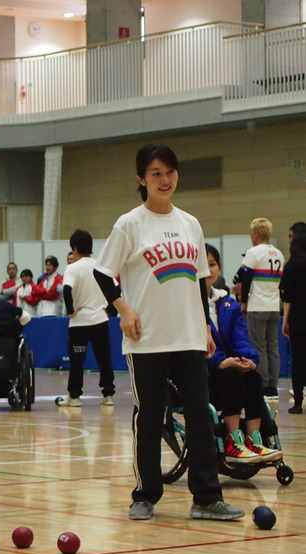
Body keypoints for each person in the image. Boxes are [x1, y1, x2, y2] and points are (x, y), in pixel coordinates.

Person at [94, 142, 243, 522]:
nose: (165, 180)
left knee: (200, 416)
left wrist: (206, 325)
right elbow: (101, 272)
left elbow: (199, 281)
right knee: (150, 418)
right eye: (156, 173)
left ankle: (207, 498)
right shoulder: (129, 224)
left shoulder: (190, 224)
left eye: (170, 172)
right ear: (141, 179)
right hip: (146, 341)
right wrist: (123, 309)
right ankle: (145, 494)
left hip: (189, 337)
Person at [204, 244, 281, 462]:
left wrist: (250, 359)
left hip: (231, 370)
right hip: (206, 375)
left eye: (213, 264)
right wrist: (220, 362)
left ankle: (254, 439)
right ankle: (233, 440)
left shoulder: (228, 302)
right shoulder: (187, 304)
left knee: (252, 376)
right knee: (232, 375)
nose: (209, 270)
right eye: (204, 265)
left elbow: (241, 338)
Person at [55, 229, 115, 408]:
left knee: (77, 360)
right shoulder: (101, 265)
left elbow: (66, 290)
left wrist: (70, 311)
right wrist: (109, 311)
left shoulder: (72, 268)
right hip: (100, 322)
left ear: (74, 248)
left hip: (79, 324)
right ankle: (108, 395)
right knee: (104, 358)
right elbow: (115, 289)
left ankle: (74, 397)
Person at [238, 218, 284, 401]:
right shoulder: (279, 254)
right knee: (273, 346)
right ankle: (274, 384)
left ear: (256, 233)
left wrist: (243, 301)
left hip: (257, 305)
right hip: (274, 306)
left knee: (259, 346)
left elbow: (246, 278)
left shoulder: (254, 252)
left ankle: (264, 385)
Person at [281, 232, 306, 414]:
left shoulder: (291, 266)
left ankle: (298, 402)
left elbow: (287, 296)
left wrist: (286, 320)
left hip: (298, 317)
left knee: (298, 360)